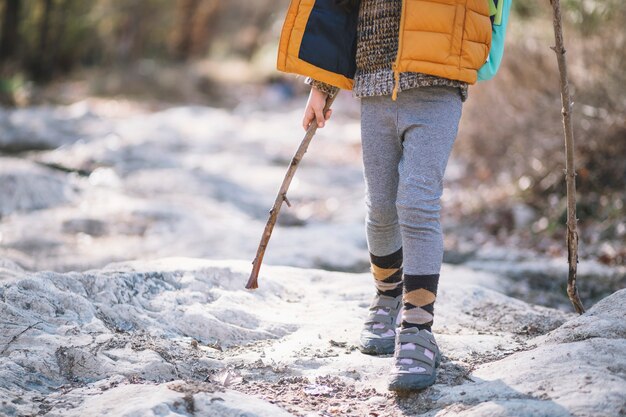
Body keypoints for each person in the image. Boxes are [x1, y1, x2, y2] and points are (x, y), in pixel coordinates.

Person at [278, 0, 492, 391]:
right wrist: (322, 86)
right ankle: (387, 295)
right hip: (373, 84)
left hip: (438, 81)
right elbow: (340, 8)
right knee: (380, 208)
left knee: (417, 203)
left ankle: (417, 326)